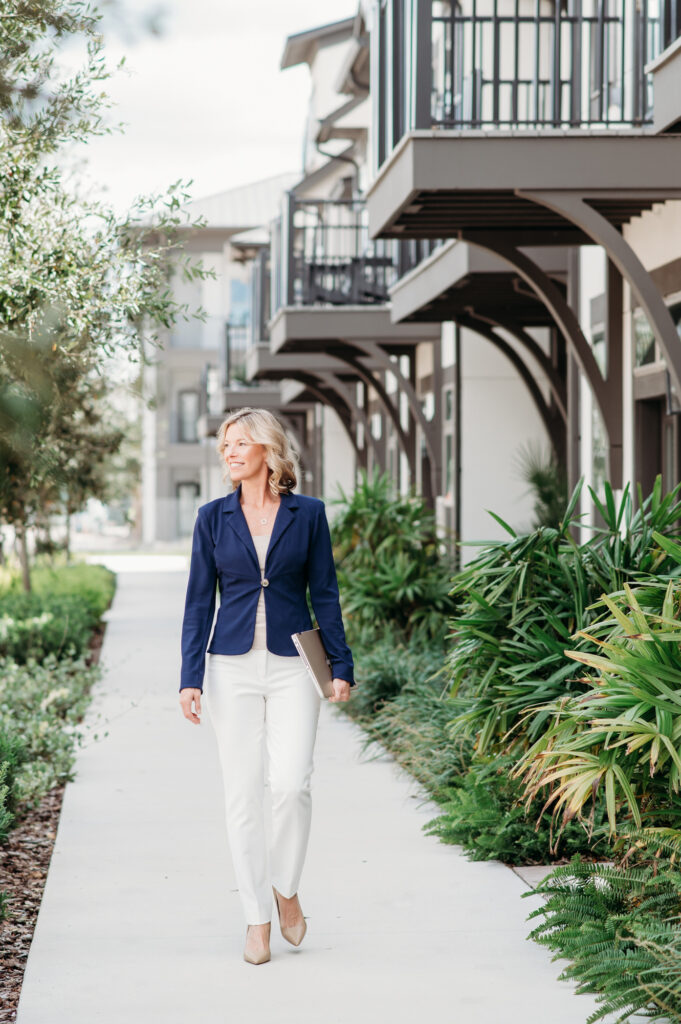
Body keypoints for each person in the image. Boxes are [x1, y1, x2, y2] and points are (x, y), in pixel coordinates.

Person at [179, 407, 355, 965]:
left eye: (239, 443)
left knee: (291, 784)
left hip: (292, 665)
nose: (228, 451)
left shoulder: (308, 514)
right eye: (224, 444)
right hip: (230, 666)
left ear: (266, 450)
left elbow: (324, 591)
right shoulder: (212, 517)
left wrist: (341, 665)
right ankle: (256, 918)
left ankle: (286, 888)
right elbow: (196, 602)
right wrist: (190, 677)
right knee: (242, 794)